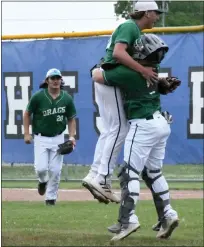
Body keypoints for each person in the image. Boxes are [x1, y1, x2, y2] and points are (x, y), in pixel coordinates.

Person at [91, 33, 180, 241]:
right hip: (160, 122)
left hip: (142, 125)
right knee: (153, 173)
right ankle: (168, 214)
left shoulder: (128, 72)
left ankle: (128, 219)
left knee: (128, 173)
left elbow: (97, 76)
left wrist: (100, 65)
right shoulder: (154, 70)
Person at [82, 0, 162, 204]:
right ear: (145, 13)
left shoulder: (134, 29)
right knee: (119, 129)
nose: (158, 16)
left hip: (108, 76)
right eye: (155, 12)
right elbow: (118, 53)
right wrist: (142, 69)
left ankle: (94, 175)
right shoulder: (130, 26)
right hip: (109, 77)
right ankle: (103, 179)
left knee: (111, 130)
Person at [23, 68, 77, 206]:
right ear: (47, 81)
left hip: (58, 137)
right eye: (52, 78)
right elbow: (27, 113)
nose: (55, 81)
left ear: (61, 80)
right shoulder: (39, 96)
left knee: (56, 170)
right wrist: (27, 133)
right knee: (41, 169)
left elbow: (71, 119)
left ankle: (50, 199)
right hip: (41, 138)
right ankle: (42, 181)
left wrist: (71, 137)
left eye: (58, 78)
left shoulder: (66, 98)